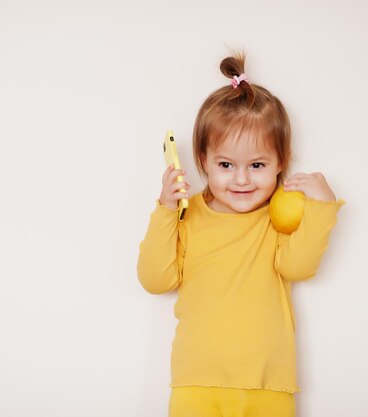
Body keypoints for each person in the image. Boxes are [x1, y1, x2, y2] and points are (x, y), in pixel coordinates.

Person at [137, 52, 345, 417]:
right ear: (203, 161)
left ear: (282, 162)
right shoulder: (189, 215)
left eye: (258, 165)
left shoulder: (278, 215)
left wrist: (322, 208)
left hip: (268, 383)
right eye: (226, 165)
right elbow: (156, 280)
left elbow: (297, 267)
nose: (242, 179)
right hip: (196, 381)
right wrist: (165, 210)